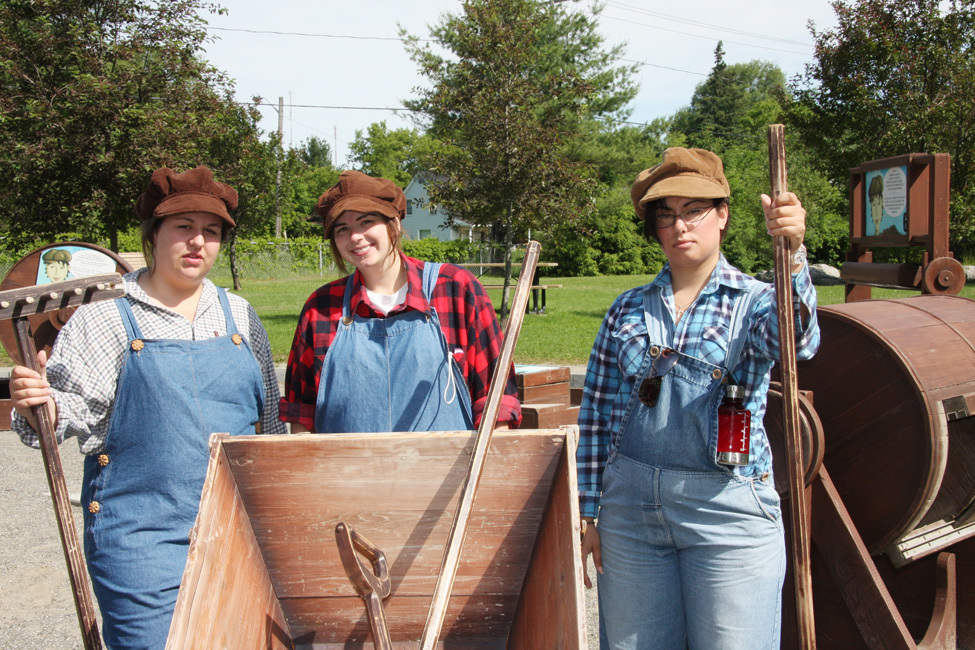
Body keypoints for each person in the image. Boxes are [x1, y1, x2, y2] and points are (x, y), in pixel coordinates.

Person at [10, 165, 286, 650]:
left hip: (235, 533)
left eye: (212, 231)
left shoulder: (239, 314)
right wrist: (40, 405)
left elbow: (268, 428)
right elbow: (65, 412)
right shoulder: (104, 318)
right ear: (153, 235)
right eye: (184, 227)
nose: (198, 241)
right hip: (142, 539)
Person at [577, 147, 820, 650]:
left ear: (723, 215)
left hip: (726, 513)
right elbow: (597, 414)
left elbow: (797, 341)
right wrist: (589, 511)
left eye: (694, 210)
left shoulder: (756, 301)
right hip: (631, 518)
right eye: (666, 215)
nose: (680, 226)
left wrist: (792, 256)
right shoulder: (625, 310)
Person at [279, 170, 520, 434]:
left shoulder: (455, 288)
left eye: (366, 221)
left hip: (448, 472)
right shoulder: (321, 307)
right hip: (348, 473)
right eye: (343, 228)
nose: (355, 236)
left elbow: (496, 404)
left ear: (393, 222)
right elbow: (302, 416)